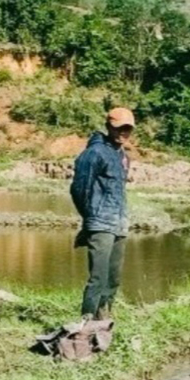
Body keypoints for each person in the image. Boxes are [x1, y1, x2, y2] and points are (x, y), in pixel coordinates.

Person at [70, 107, 134, 320]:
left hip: (119, 223)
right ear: (108, 127)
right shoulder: (94, 153)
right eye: (119, 128)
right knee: (98, 277)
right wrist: (90, 219)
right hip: (100, 223)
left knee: (114, 277)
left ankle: (104, 317)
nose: (123, 133)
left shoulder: (122, 155)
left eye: (127, 129)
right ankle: (86, 321)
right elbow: (79, 189)